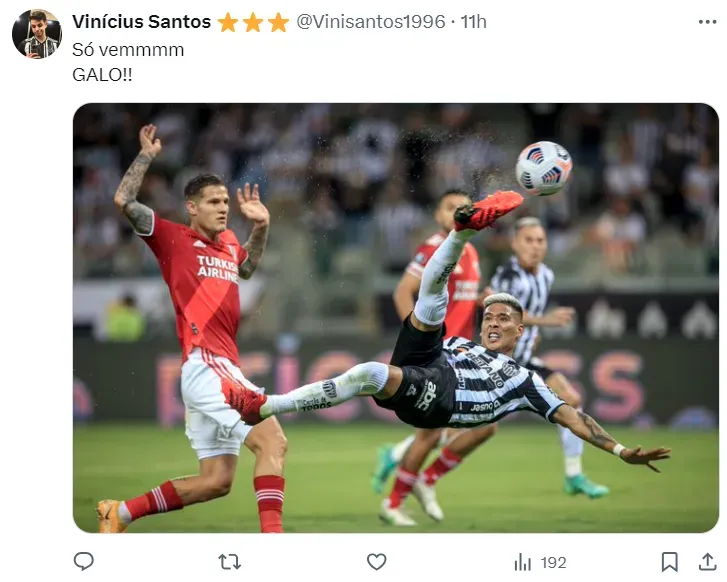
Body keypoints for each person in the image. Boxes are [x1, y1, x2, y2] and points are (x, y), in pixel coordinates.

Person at [238, 191, 671, 490]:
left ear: (520, 331)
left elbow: (574, 417)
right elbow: (431, 319)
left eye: (504, 319)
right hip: (433, 361)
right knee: (433, 304)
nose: (493, 323)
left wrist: (619, 451)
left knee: (370, 373)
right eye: (490, 317)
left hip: (443, 398)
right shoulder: (467, 345)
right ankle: (461, 232)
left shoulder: (525, 381)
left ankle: (268, 405)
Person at [97, 125, 289, 534]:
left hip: (219, 367)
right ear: (191, 208)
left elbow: (247, 269)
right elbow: (123, 200)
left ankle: (120, 513)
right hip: (206, 365)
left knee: (216, 482)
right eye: (213, 202)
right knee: (273, 441)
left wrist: (260, 228)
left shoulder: (230, 242)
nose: (223, 208)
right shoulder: (172, 238)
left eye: (226, 201)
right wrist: (146, 155)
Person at [371, 188, 498, 526]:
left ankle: (418, 476)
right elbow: (403, 291)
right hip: (437, 354)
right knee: (432, 432)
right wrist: (417, 337)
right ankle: (395, 501)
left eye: (463, 207)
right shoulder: (433, 248)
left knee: (485, 424)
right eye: (449, 207)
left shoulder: (470, 250)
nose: (457, 211)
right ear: (438, 215)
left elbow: (458, 299)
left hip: (460, 352)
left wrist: (481, 301)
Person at [486, 217, 609, 498]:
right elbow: (503, 315)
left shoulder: (546, 276)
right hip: (495, 365)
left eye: (540, 240)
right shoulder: (508, 275)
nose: (535, 246)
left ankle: (574, 476)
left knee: (571, 400)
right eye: (528, 240)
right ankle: (400, 455)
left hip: (524, 361)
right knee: (463, 428)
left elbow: (525, 316)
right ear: (514, 244)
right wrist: (545, 321)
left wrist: (533, 335)